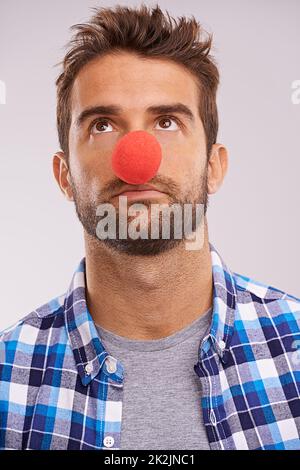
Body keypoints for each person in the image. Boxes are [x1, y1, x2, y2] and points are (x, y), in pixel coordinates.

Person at [0, 4, 299, 451]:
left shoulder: (294, 350)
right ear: (64, 176)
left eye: (166, 122)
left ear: (214, 166)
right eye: (102, 125)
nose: (137, 157)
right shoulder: (7, 382)